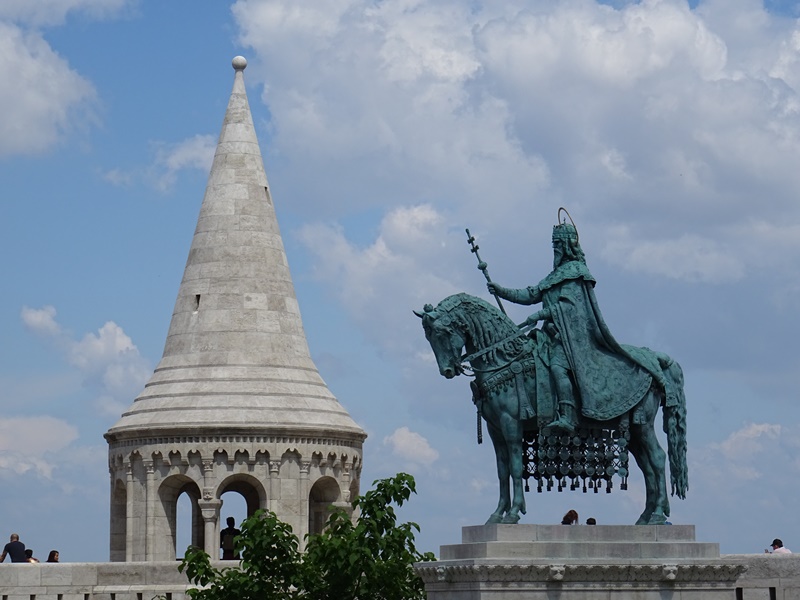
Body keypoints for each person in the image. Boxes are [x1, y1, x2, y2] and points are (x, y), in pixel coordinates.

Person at [488, 210, 671, 433]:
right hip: (550, 337)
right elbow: (531, 294)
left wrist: (540, 315)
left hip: (573, 340)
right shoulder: (554, 276)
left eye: (558, 244)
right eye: (553, 244)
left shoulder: (576, 272)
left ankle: (567, 416)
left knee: (558, 368)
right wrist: (501, 290)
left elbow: (569, 308)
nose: (554, 249)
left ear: (567, 246)